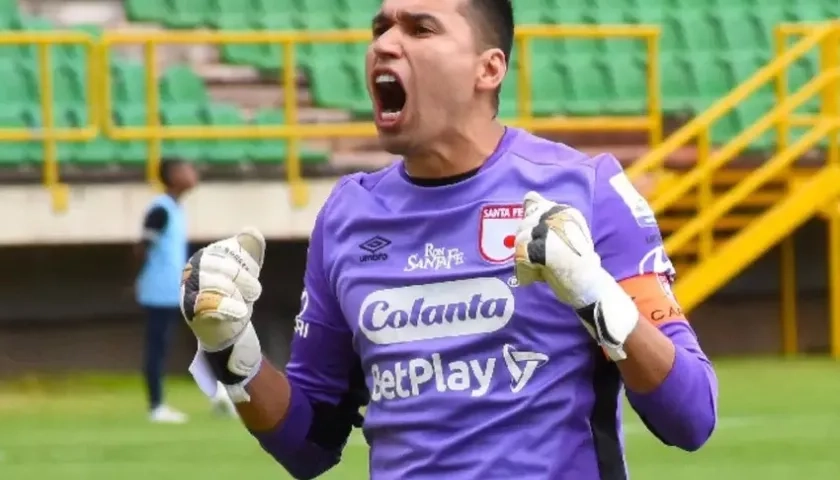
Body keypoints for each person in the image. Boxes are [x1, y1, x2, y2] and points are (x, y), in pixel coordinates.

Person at [181, 0, 718, 478]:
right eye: (381, 28)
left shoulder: (585, 190)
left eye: (420, 29)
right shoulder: (347, 215)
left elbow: (692, 416)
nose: (385, 44)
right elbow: (309, 444)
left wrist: (594, 292)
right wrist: (229, 349)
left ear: (488, 69)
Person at [135, 158, 234, 423]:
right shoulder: (161, 209)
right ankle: (156, 407)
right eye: (186, 170)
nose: (193, 174)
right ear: (173, 176)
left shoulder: (177, 209)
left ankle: (221, 396)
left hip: (179, 288)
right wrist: (140, 278)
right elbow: (142, 247)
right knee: (158, 346)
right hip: (160, 290)